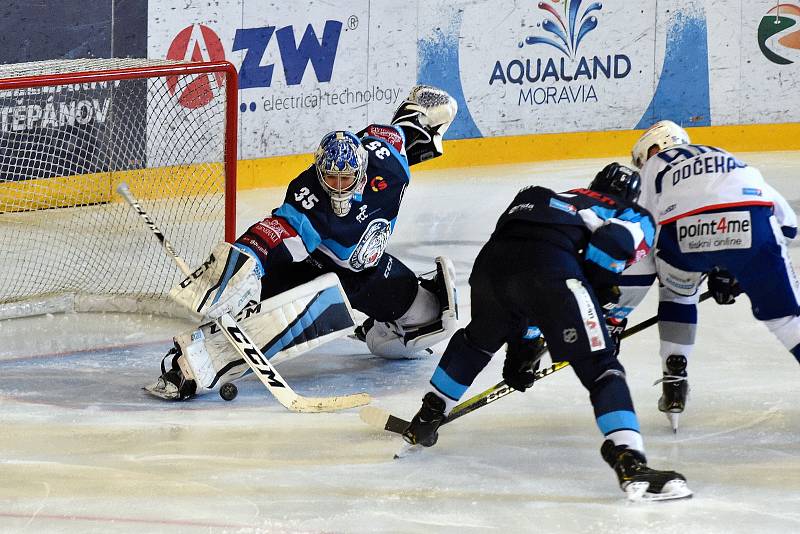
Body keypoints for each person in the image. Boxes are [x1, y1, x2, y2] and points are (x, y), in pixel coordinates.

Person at [145, 85, 460, 401]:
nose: (337, 186)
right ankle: (191, 366)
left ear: (363, 171)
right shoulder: (309, 195)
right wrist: (242, 264)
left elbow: (405, 128)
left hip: (367, 274)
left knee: (432, 320)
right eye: (330, 178)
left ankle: (378, 331)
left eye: (346, 178)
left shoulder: (390, 165)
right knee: (285, 314)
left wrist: (430, 109)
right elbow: (276, 232)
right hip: (313, 269)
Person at [402, 163, 692, 502]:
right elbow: (610, 243)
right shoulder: (630, 211)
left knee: (478, 340)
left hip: (492, 265)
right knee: (602, 368)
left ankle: (428, 415)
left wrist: (522, 350)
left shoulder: (557, 197)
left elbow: (522, 274)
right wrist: (596, 297)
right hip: (550, 268)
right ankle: (630, 460)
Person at [614, 120, 799, 431]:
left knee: (677, 294)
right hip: (749, 220)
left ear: (655, 148)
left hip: (683, 233)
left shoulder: (655, 166)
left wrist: (616, 312)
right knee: (785, 320)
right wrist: (733, 269)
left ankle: (674, 375)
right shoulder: (723, 155)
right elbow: (789, 225)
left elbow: (642, 232)